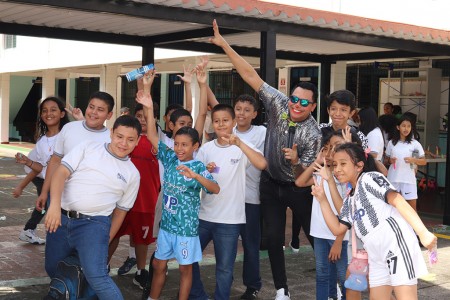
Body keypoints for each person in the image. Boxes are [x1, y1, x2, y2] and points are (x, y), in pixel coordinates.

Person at [208, 19, 321, 299]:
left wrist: (295, 160)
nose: (297, 104)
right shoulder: (279, 103)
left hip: (297, 187)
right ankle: (282, 289)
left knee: (315, 235)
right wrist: (224, 44)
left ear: (313, 106)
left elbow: (303, 176)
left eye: (304, 102)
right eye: (295, 99)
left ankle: (331, 283)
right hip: (269, 184)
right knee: (271, 239)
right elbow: (250, 75)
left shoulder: (314, 132)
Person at [312, 142, 437, 300]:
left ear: (359, 166)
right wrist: (322, 199)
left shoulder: (370, 178)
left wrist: (423, 232)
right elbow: (337, 229)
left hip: (395, 244)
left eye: (343, 164)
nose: (337, 169)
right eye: (335, 164)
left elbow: (397, 200)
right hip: (375, 254)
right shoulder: (350, 199)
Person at [44, 115, 142, 299]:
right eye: (119, 136)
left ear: (138, 141)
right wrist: (54, 206)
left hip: (94, 225)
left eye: (130, 139)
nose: (123, 143)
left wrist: (106, 239)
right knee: (53, 267)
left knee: (97, 276)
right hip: (60, 219)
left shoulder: (132, 174)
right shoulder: (88, 147)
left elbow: (121, 212)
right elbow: (60, 173)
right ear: (111, 133)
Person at [136, 89, 219, 300]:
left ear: (195, 146)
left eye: (184, 145)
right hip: (167, 227)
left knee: (185, 270)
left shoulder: (199, 166)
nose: (179, 148)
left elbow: (215, 188)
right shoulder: (171, 159)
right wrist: (148, 107)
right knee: (158, 265)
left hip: (186, 230)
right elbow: (153, 136)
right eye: (176, 144)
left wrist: (196, 176)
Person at [189, 104, 267, 300]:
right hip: (204, 216)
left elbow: (262, 164)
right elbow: (198, 178)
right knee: (188, 258)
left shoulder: (242, 146)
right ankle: (198, 295)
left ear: (233, 122)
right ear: (212, 124)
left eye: (225, 120)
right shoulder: (206, 149)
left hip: (230, 221)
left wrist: (239, 144)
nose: (221, 124)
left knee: (224, 269)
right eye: (217, 121)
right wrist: (205, 170)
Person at [108, 103, 161, 289]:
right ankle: (102, 267)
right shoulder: (124, 142)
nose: (143, 119)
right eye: (139, 116)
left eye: (147, 116)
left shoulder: (156, 143)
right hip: (119, 201)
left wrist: (146, 94)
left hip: (145, 201)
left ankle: (140, 271)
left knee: (141, 239)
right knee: (112, 234)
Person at [35, 91, 115, 213]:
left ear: (109, 115)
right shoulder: (69, 128)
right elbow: (55, 162)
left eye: (100, 109)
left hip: (92, 209)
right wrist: (44, 192)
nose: (93, 112)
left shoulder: (111, 139)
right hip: (60, 203)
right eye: (91, 107)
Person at [296, 131, 350, 300]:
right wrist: (316, 162)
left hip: (340, 234)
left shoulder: (344, 176)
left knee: (343, 276)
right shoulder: (321, 171)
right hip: (319, 232)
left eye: (337, 147)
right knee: (322, 274)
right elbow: (300, 182)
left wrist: (339, 241)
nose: (331, 151)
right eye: (328, 147)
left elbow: (345, 212)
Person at [13, 96, 69, 244]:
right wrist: (28, 162)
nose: (48, 113)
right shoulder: (42, 141)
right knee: (47, 208)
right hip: (47, 183)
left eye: (53, 110)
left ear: (62, 113)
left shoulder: (68, 135)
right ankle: (43, 235)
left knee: (47, 208)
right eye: (44, 111)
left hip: (66, 184)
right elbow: (39, 168)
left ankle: (31, 230)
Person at [385, 115, 426, 212]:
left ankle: (413, 227)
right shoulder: (392, 143)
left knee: (412, 210)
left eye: (409, 126)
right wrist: (390, 161)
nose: (406, 128)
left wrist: (414, 160)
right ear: (398, 127)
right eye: (403, 126)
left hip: (408, 180)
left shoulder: (415, 144)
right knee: (391, 209)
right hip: (393, 179)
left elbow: (423, 161)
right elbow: (385, 160)